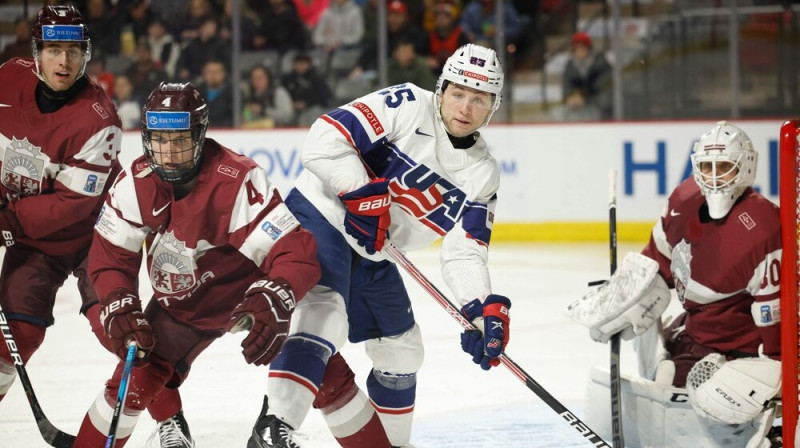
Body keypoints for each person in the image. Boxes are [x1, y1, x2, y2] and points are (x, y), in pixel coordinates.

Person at [248, 43, 512, 448]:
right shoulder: (406, 103)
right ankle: (274, 427)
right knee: (325, 311)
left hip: (375, 250)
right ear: (441, 89)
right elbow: (325, 136)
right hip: (322, 215)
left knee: (403, 352)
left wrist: (480, 310)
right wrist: (360, 194)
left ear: (492, 106)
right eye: (458, 93)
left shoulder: (482, 175)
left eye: (479, 99)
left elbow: (464, 250)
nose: (465, 107)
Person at [71, 82, 321, 447]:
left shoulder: (235, 179)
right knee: (132, 378)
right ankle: (170, 422)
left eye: (180, 140)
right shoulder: (135, 182)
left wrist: (278, 293)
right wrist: (118, 297)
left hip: (248, 295)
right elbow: (110, 255)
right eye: (159, 139)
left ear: (200, 135)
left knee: (319, 363)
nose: (168, 153)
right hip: (184, 305)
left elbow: (293, 249)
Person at [567, 121, 782, 447]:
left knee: (717, 401)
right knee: (665, 376)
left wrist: (775, 374)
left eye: (723, 167)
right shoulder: (684, 201)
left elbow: (777, 321)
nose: (713, 177)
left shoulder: (763, 227)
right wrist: (628, 292)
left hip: (744, 354)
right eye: (706, 167)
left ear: (745, 168)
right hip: (695, 341)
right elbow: (658, 261)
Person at [0, 2, 123, 408]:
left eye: (72, 51)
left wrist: (7, 219)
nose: (64, 61)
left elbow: (73, 204)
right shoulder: (6, 80)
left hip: (94, 237)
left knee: (119, 331)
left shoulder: (98, 117)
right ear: (35, 53)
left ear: (85, 53)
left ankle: (168, 418)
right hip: (34, 241)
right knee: (14, 334)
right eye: (53, 50)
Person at [561, 32, 612, 121]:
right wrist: (571, 97)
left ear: (589, 49)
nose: (579, 52)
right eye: (576, 48)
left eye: (582, 48)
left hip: (602, 111)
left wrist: (585, 100)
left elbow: (605, 94)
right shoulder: (570, 67)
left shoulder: (602, 66)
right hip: (579, 109)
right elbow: (567, 87)